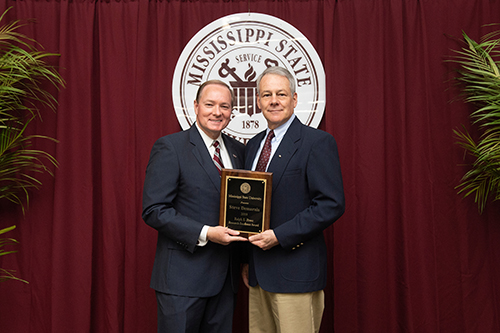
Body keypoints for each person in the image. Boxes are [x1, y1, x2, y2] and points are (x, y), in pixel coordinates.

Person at [243, 66, 345, 333]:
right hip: (257, 274)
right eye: (266, 95)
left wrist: (279, 235)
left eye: (281, 94)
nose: (273, 100)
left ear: (295, 99)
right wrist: (245, 260)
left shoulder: (317, 142)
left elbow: (330, 204)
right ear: (258, 101)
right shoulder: (253, 145)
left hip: (296, 272)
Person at [142, 80, 247, 333]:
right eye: (210, 104)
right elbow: (154, 210)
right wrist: (207, 233)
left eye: (224, 106)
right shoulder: (170, 147)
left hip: (225, 280)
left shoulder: (238, 151)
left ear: (232, 111)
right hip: (182, 281)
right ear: (196, 106)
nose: (217, 112)